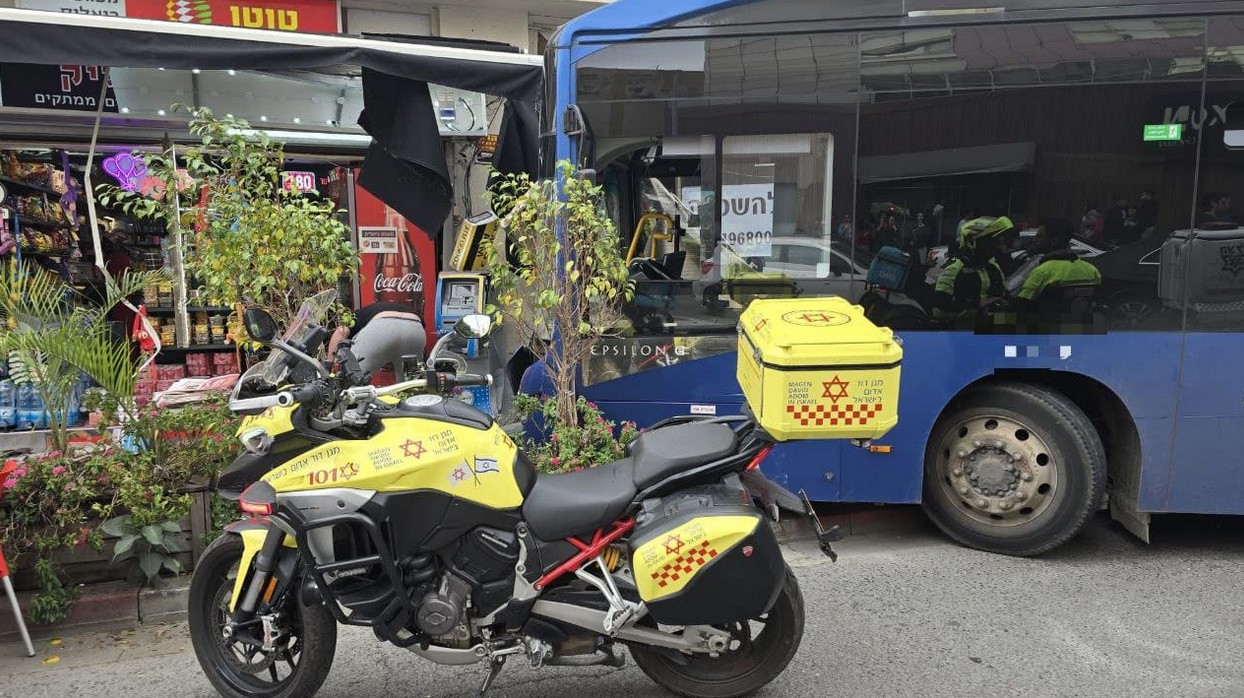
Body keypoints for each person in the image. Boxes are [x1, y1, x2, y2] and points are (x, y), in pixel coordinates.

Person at [932, 216, 1013, 322]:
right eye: (989, 243)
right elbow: (938, 310)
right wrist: (977, 307)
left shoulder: (994, 268)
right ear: (972, 243)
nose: (995, 247)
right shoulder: (952, 272)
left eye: (995, 242)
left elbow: (1004, 296)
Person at [1015, 217, 1102, 310]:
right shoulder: (1092, 270)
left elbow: (1021, 305)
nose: (1034, 240)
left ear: (1053, 241)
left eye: (1039, 236)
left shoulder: (1042, 272)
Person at [327, 301, 427, 377]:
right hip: (415, 328)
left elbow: (341, 331)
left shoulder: (356, 316)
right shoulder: (372, 311)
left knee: (352, 378)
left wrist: (329, 365)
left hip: (382, 325)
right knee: (409, 386)